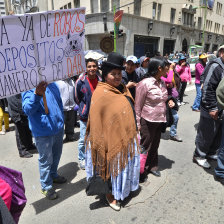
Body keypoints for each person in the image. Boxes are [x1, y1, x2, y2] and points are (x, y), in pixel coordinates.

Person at [85, 52, 140, 211]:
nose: (117, 77)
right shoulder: (101, 93)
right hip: (107, 140)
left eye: (119, 73)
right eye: (113, 74)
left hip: (124, 138)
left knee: (121, 167)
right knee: (108, 168)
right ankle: (109, 194)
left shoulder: (122, 88)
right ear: (105, 75)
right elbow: (96, 123)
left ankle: (121, 189)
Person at [22, 81, 66, 200]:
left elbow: (59, 104)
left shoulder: (52, 85)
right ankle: (46, 186)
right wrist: (36, 94)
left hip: (58, 129)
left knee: (56, 155)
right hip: (43, 133)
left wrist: (61, 120)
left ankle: (53, 174)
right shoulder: (27, 88)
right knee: (46, 160)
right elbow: (27, 110)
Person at [135, 57, 175, 181]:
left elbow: (163, 98)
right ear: (159, 68)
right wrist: (137, 123)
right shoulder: (144, 84)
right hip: (147, 120)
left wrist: (169, 101)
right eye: (166, 66)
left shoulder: (162, 82)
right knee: (145, 145)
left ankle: (152, 166)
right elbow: (138, 105)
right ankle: (140, 170)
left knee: (155, 144)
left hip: (160, 120)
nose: (168, 68)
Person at [193, 46, 224, 169]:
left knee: (217, 133)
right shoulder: (215, 66)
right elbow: (207, 88)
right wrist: (212, 107)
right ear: (222, 53)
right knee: (206, 132)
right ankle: (199, 155)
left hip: (220, 106)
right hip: (211, 106)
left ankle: (210, 152)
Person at [75, 58, 101, 170]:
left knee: (96, 138)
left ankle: (93, 157)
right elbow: (76, 97)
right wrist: (83, 108)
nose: (92, 68)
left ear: (97, 67)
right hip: (85, 116)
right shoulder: (80, 81)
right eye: (89, 66)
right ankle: (82, 158)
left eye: (94, 66)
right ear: (86, 68)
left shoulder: (101, 80)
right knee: (83, 139)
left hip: (98, 116)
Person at [7, 94, 36, 158]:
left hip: (23, 111)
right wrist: (22, 111)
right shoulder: (11, 91)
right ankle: (22, 150)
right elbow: (13, 102)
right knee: (20, 132)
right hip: (17, 112)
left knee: (27, 129)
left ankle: (29, 145)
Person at [161, 60, 182, 142]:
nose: (170, 66)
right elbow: (169, 81)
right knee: (175, 117)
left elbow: (175, 81)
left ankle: (172, 134)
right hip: (165, 99)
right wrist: (170, 69)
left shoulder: (170, 72)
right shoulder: (162, 75)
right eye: (168, 65)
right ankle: (172, 134)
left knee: (172, 117)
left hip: (172, 99)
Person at [56, 78, 77, 142]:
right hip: (62, 107)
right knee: (61, 125)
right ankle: (58, 139)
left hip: (71, 106)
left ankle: (70, 136)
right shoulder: (58, 83)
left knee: (70, 123)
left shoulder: (72, 81)